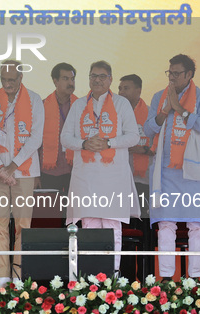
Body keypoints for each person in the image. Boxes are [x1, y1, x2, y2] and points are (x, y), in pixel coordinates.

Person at [144, 54, 200, 280]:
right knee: (166, 225)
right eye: (170, 73)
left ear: (189, 75)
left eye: (177, 73)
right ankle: (166, 279)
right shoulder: (159, 97)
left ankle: (195, 279)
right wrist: (166, 109)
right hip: (166, 173)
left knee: (197, 226)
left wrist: (181, 109)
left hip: (194, 174)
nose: (172, 77)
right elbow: (148, 129)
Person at [61, 60, 140, 273]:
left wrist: (109, 142)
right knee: (89, 226)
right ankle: (92, 278)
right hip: (86, 177)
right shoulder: (78, 105)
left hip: (114, 177)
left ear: (110, 79)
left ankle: (112, 278)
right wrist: (84, 144)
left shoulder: (121, 104)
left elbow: (134, 136)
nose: (97, 80)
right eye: (93, 76)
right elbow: (65, 138)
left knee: (113, 227)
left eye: (102, 76)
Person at [0, 60, 44, 287]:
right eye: (3, 79)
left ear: (20, 79)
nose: (7, 84)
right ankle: (2, 275)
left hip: (24, 172)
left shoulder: (35, 100)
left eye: (11, 80)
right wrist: (0, 167)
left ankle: (18, 276)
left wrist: (12, 166)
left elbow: (36, 138)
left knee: (22, 225)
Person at [40, 63, 77, 195]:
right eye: (65, 79)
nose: (70, 83)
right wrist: (35, 175)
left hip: (74, 170)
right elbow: (35, 142)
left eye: (72, 79)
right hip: (49, 171)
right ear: (55, 81)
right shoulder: (42, 106)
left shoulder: (82, 106)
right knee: (49, 212)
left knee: (72, 212)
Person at [118, 74, 152, 206]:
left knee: (142, 218)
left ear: (139, 90)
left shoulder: (151, 115)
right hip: (120, 177)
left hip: (144, 178)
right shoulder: (114, 115)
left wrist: (143, 149)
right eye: (120, 88)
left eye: (126, 88)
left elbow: (160, 146)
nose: (121, 92)